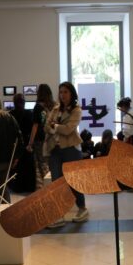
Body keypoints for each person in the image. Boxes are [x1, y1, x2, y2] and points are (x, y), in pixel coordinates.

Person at [45, 82, 88, 226]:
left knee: (73, 181)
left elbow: (68, 129)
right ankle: (59, 214)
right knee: (56, 183)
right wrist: (55, 127)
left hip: (71, 149)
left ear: (71, 94)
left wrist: (55, 126)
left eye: (65, 92)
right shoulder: (55, 109)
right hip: (55, 149)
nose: (62, 95)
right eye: (61, 92)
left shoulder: (76, 110)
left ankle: (82, 208)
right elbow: (46, 126)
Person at [26, 83, 54, 191]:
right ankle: (52, 187)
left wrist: (30, 143)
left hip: (40, 140)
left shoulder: (38, 107)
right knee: (50, 164)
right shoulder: (54, 106)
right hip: (51, 138)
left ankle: (42, 188)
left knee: (39, 165)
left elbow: (35, 126)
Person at [9, 93, 35, 192]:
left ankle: (17, 187)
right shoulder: (29, 113)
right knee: (27, 166)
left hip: (15, 143)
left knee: (17, 166)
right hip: (27, 142)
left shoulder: (10, 114)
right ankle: (29, 187)